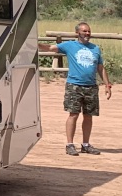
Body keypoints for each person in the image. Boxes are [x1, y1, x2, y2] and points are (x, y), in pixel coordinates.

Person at [39, 22, 112, 156]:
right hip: (74, 86)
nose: (87, 34)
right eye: (84, 31)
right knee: (73, 114)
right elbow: (50, 47)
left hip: (91, 86)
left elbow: (100, 67)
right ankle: (69, 144)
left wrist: (107, 85)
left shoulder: (95, 48)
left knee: (89, 116)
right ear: (77, 33)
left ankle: (85, 144)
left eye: (89, 31)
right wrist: (35, 44)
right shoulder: (70, 45)